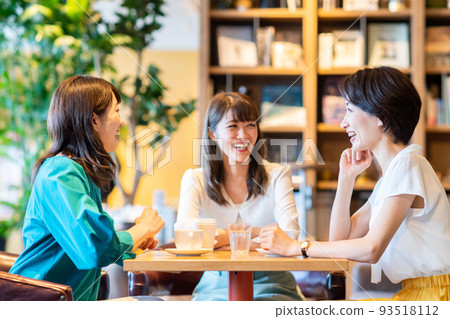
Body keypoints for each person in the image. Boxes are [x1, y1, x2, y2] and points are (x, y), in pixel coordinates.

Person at [259, 66, 450, 301]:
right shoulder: (391, 177)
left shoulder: (409, 164)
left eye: (349, 110)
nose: (343, 123)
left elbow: (371, 249)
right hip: (419, 294)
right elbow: (339, 243)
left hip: (435, 296)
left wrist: (296, 247)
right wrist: (346, 178)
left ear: (381, 117)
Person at [9, 75, 165, 301]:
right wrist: (142, 228)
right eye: (117, 111)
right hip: (39, 303)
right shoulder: (60, 172)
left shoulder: (78, 172)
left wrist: (135, 240)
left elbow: (98, 240)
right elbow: (94, 248)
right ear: (94, 120)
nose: (122, 121)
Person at [177, 92, 304, 301]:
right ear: (212, 133)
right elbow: (187, 237)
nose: (243, 135)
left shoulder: (278, 175)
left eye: (250, 125)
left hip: (274, 283)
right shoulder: (194, 179)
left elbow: (289, 235)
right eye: (232, 126)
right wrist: (260, 236)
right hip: (216, 287)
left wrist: (223, 238)